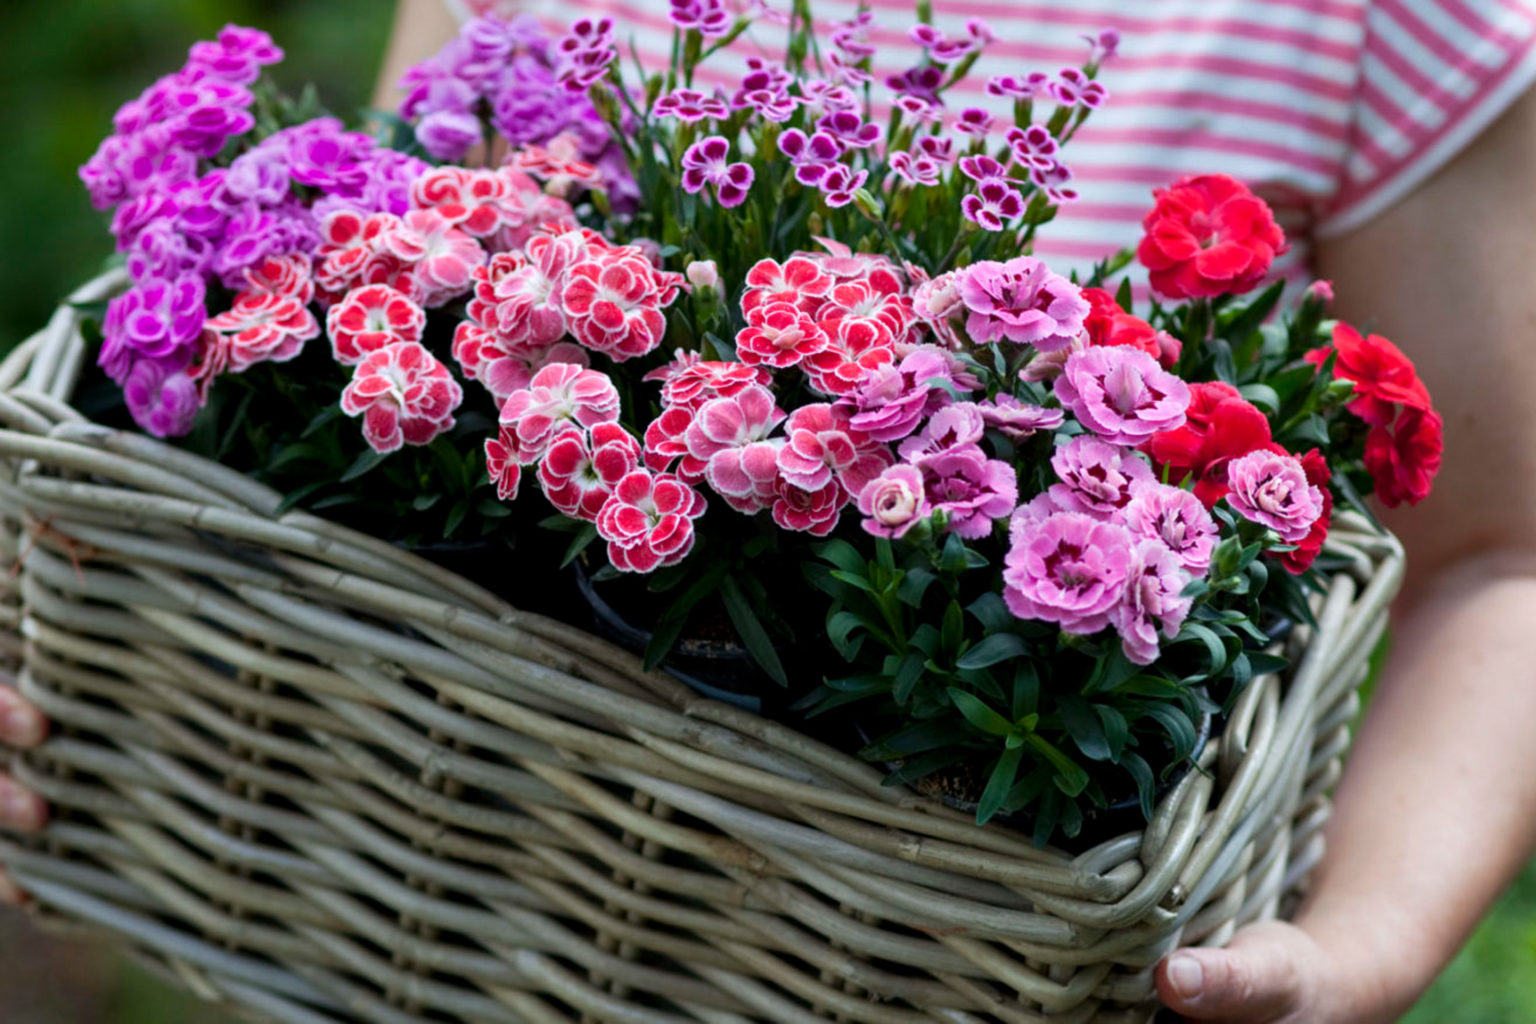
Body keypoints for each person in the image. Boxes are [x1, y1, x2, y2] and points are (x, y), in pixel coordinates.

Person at [5, 2, 1536, 1022]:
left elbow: (1507, 561)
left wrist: (1352, 955)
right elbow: (367, 313)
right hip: (448, 923)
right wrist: (54, 616)